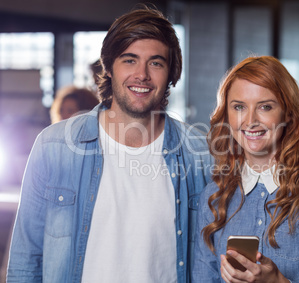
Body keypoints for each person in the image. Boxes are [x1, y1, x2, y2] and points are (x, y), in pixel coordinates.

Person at [7, 6, 213, 283]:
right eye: (129, 60)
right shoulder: (54, 147)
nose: (142, 74)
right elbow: (25, 261)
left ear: (171, 74)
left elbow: (214, 260)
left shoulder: (200, 153)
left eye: (156, 63)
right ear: (110, 67)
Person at [192, 56, 299, 283]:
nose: (250, 121)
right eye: (239, 107)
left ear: (288, 113)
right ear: (226, 115)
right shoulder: (213, 195)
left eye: (265, 107)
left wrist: (277, 281)